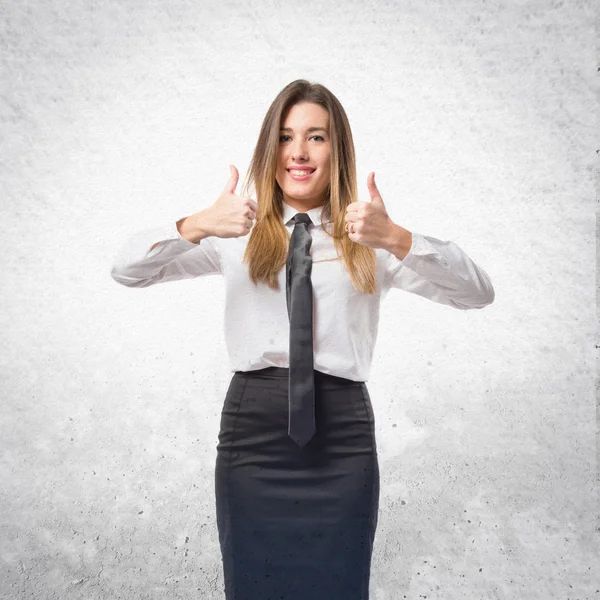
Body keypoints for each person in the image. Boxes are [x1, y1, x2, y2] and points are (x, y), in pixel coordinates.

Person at [110, 78, 495, 600]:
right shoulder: (234, 234)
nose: (299, 152)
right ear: (268, 150)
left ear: (338, 150)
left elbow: (476, 294)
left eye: (316, 137)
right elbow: (127, 271)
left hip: (342, 437)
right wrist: (198, 223)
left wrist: (398, 238)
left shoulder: (370, 238)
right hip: (253, 434)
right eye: (286, 137)